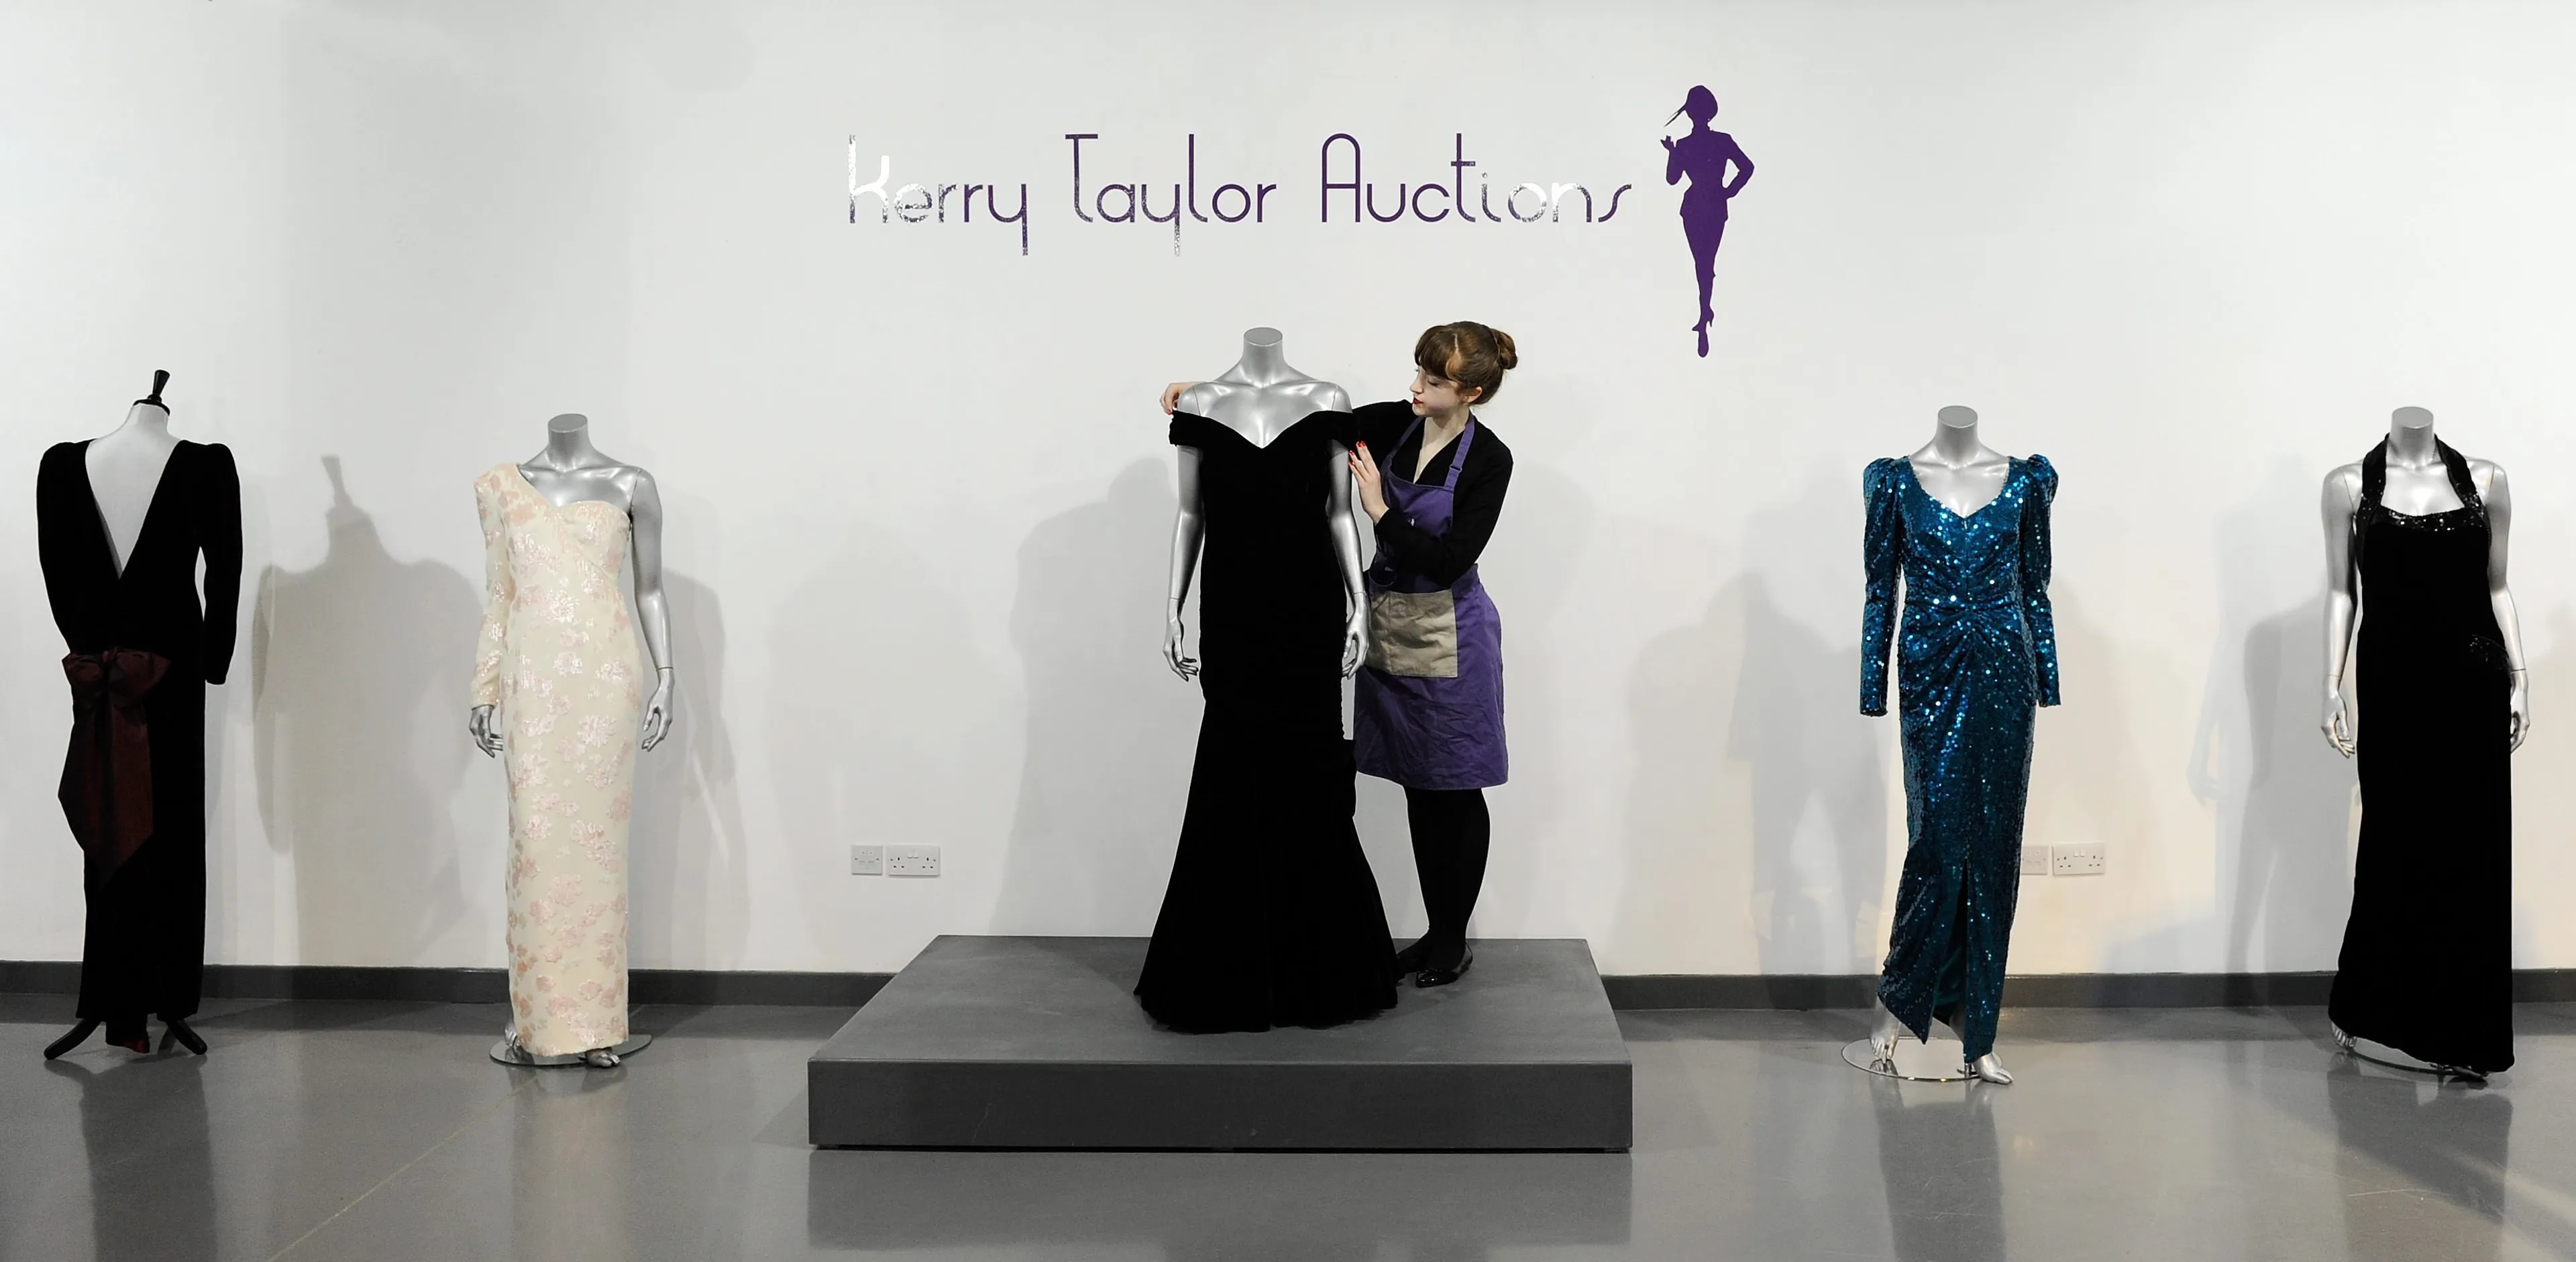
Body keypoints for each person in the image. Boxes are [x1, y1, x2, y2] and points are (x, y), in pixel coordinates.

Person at [1162, 322, 1517, 987]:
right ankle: (1435, 936)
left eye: (1432, 381)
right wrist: (1201, 394)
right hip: (1388, 626)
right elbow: (1304, 417)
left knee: (1452, 787)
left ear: (1469, 392)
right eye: (1418, 372)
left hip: (1450, 636)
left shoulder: (1490, 460)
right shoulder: (1395, 425)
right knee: (1417, 781)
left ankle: (1451, 939)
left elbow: (1449, 559)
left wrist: (1380, 511)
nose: (1415, 387)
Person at [1663, 85, 1754, 358]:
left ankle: (1705, 312)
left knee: (1702, 263)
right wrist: (1727, 191)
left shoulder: (1688, 145)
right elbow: (1747, 168)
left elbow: (1672, 179)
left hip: (1699, 205)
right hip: (1710, 204)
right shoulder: (1717, 141)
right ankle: (1705, 311)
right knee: (1705, 263)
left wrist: (1673, 153)